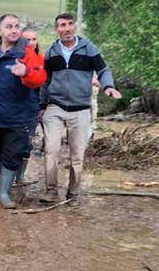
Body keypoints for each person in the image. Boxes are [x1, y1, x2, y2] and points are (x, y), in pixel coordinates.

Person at [39, 13, 120, 205]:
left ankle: (72, 194)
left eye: (69, 24)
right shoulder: (51, 52)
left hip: (81, 108)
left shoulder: (88, 48)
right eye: (61, 25)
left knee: (77, 154)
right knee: (50, 149)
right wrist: (41, 105)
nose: (66, 28)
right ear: (56, 29)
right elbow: (45, 81)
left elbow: (103, 70)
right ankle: (51, 192)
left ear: (74, 26)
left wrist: (108, 86)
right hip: (55, 107)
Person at [0, 14, 46, 209]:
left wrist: (26, 73)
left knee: (12, 155)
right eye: (9, 26)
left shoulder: (26, 52)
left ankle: (4, 193)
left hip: (15, 116)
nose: (14, 30)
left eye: (16, 26)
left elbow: (40, 77)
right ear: (0, 31)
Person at [17, 27, 44, 184]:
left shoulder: (41, 59)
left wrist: (43, 106)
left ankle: (20, 176)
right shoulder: (15, 56)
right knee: (10, 141)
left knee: (27, 142)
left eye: (34, 39)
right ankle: (4, 175)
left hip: (33, 106)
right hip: (14, 105)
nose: (31, 43)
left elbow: (45, 85)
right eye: (28, 39)